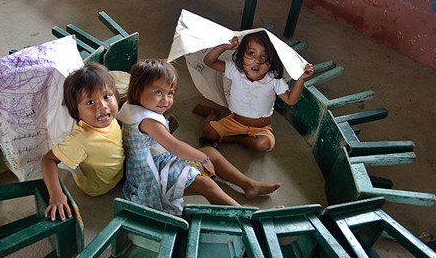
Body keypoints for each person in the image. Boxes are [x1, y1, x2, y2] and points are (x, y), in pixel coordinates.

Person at [117, 59, 281, 215]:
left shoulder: (132, 107)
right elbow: (176, 147)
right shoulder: (148, 121)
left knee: (211, 152)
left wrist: (168, 131)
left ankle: (249, 185)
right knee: (207, 184)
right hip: (152, 177)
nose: (165, 100)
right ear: (138, 90)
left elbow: (149, 140)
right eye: (158, 92)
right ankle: (250, 219)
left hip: (158, 159)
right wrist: (202, 159)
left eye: (170, 93)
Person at [193, 30, 314, 152]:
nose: (257, 60)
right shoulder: (235, 70)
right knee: (209, 133)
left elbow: (291, 100)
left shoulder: (273, 78)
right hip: (234, 121)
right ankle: (213, 113)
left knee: (265, 144)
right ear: (241, 54)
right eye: (251, 53)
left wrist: (301, 80)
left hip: (261, 128)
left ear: (272, 60)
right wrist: (225, 47)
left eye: (265, 56)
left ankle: (235, 139)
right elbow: (209, 61)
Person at [41, 63, 125, 221]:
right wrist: (56, 194)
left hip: (117, 171)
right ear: (76, 111)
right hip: (99, 187)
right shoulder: (80, 139)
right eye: (90, 102)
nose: (102, 106)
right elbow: (48, 160)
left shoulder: (109, 119)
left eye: (107, 96)